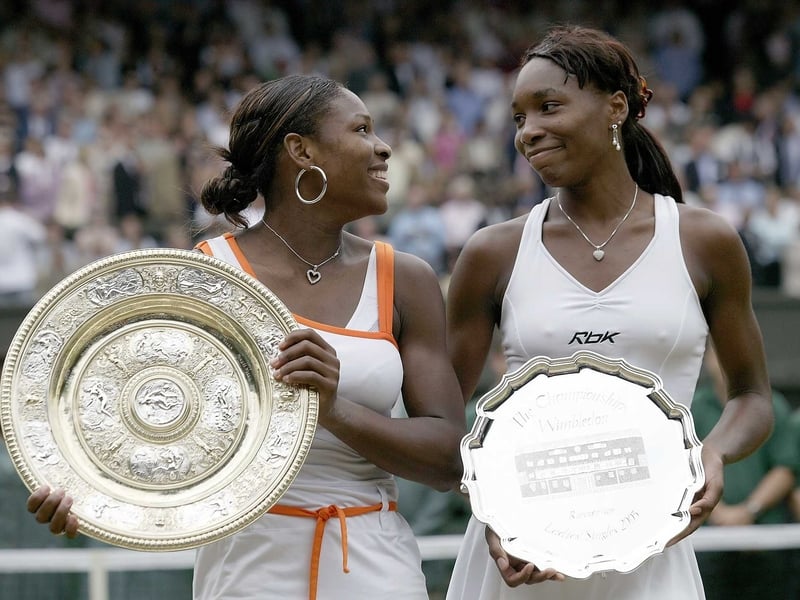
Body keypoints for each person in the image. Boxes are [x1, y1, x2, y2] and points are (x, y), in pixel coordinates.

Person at [26, 74, 466, 600]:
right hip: (244, 572)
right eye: (362, 129)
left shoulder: (407, 279)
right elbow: (151, 414)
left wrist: (332, 410)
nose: (383, 147)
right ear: (301, 151)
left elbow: (448, 459)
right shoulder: (206, 274)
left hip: (377, 567)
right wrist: (91, 493)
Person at [444, 25, 773, 600]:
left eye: (548, 107)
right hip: (520, 558)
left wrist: (711, 454)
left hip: (654, 553)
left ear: (616, 108)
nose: (528, 131)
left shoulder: (704, 241)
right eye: (519, 117)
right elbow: (441, 420)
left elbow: (752, 396)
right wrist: (494, 505)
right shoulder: (492, 252)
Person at [691, 343, 799, 600]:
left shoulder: (773, 406)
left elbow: (786, 468)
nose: (724, 360)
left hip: (765, 545)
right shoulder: (693, 408)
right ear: (706, 359)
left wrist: (749, 510)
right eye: (717, 353)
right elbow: (681, 467)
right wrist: (718, 512)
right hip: (707, 545)